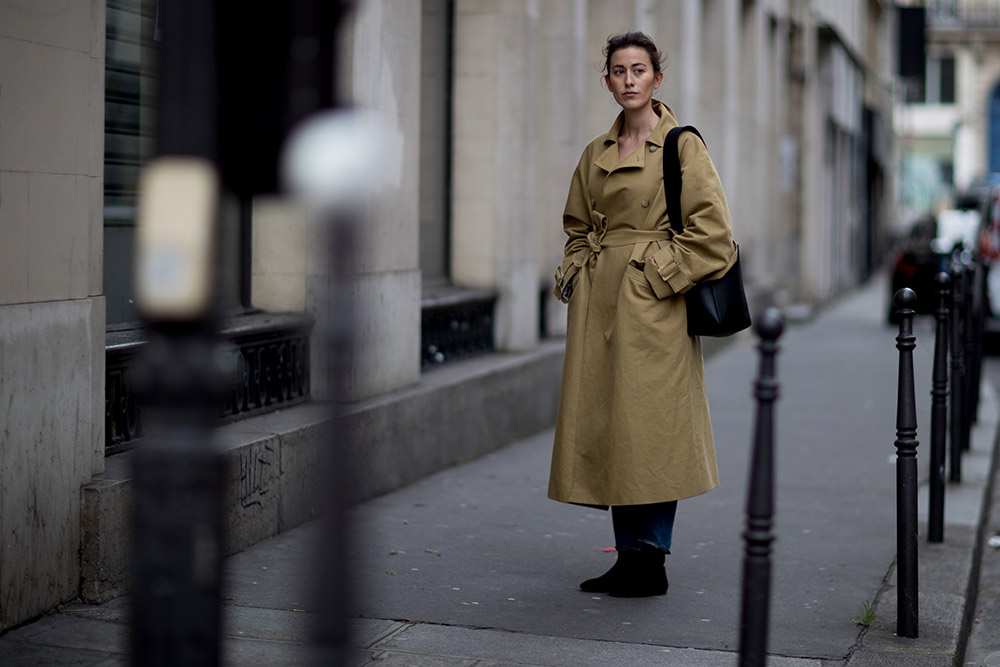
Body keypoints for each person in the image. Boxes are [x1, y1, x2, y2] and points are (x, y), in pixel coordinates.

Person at [549, 31, 737, 598]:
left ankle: (650, 559)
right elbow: (576, 226)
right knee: (614, 428)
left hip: (656, 308)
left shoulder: (682, 146)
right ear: (607, 81)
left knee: (652, 431)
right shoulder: (594, 153)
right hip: (599, 313)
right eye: (618, 71)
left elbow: (715, 236)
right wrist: (579, 273)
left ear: (658, 78)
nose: (629, 79)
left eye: (639, 69)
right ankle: (628, 557)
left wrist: (654, 275)